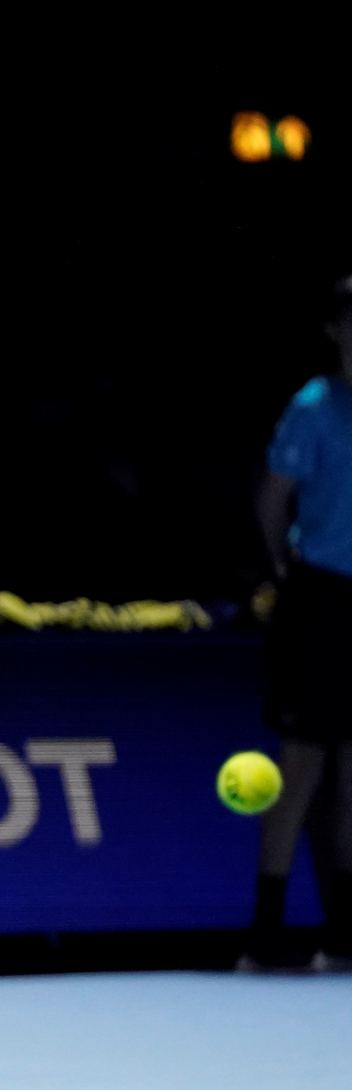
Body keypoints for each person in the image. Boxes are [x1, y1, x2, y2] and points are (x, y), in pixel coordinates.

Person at [246, 274, 352, 972]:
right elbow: (271, 502)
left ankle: (344, 933)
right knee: (303, 765)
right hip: (321, 600)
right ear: (335, 332)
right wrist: (287, 575)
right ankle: (266, 932)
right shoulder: (314, 406)